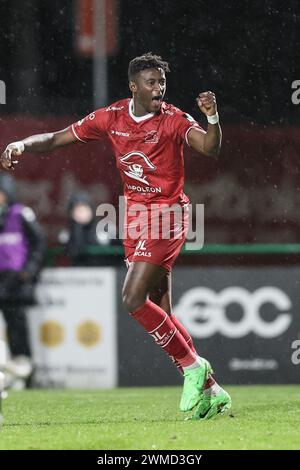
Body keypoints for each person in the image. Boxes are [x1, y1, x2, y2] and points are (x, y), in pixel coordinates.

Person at [1, 52, 231, 418]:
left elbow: (210, 147)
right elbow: (58, 138)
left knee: (132, 298)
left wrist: (212, 117)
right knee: (163, 311)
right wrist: (23, 144)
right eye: (152, 83)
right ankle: (212, 389)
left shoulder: (172, 120)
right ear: (133, 86)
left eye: (162, 83)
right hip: (135, 218)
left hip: (168, 215)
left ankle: (192, 367)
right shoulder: (112, 117)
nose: (159, 89)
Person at [0, 173, 45, 389]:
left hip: (15, 282)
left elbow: (38, 244)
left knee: (18, 329)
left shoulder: (21, 214)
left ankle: (26, 376)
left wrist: (28, 272)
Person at [62, 190, 121, 266]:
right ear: (71, 213)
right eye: (78, 210)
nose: (82, 214)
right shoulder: (67, 234)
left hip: (108, 272)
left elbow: (121, 253)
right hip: (79, 274)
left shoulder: (106, 229)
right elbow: (73, 252)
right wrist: (77, 230)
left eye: (84, 209)